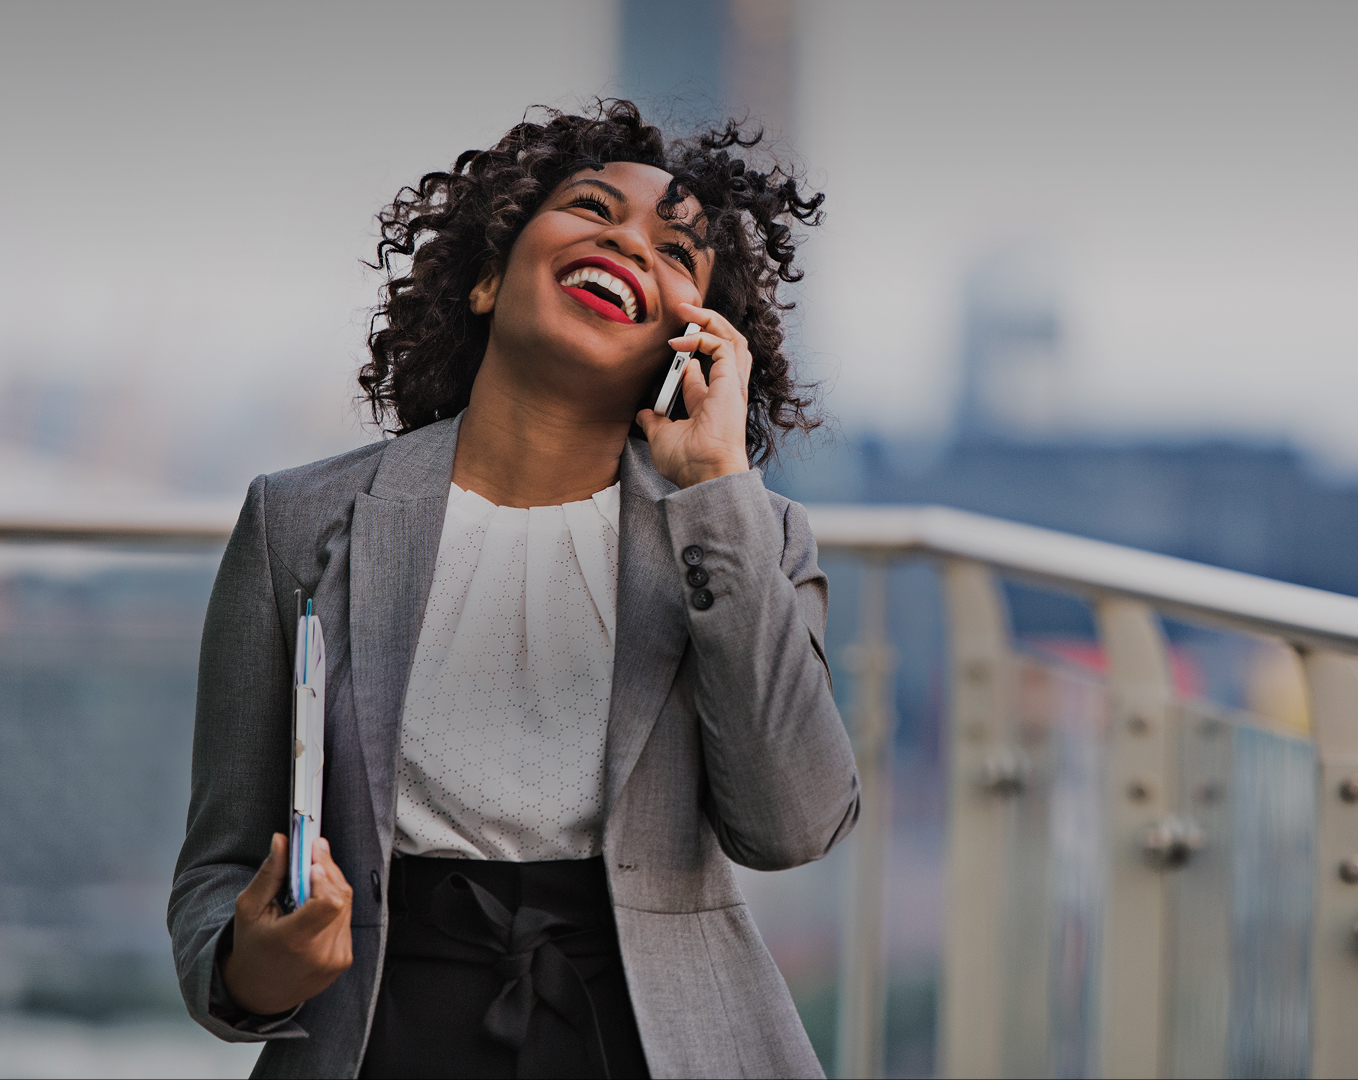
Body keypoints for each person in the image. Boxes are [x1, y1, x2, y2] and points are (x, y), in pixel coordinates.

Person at [167, 100, 857, 1079]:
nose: (629, 242)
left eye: (677, 252)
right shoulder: (299, 522)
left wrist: (717, 492)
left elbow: (790, 824)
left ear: (689, 347)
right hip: (378, 1036)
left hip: (647, 1042)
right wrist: (252, 970)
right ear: (489, 275)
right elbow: (219, 868)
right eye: (592, 207)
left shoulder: (749, 533)